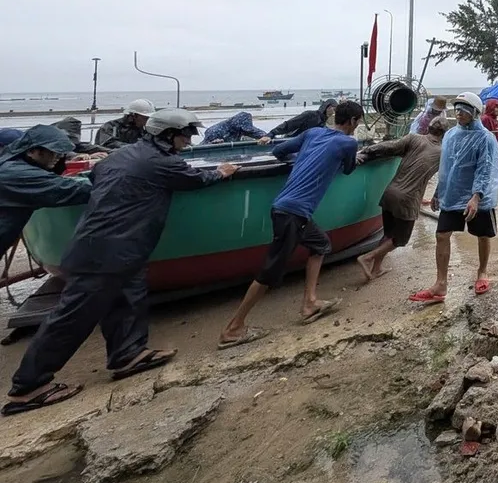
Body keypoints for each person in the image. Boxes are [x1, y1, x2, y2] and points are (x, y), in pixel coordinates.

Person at [5, 111, 237, 416]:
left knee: (129, 297)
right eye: (185, 134)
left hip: (117, 247)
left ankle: (128, 354)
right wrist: (221, 172)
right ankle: (28, 387)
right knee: (72, 317)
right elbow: (195, 178)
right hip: (107, 250)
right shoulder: (160, 162)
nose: (189, 140)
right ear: (167, 135)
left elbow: (98, 178)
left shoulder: (122, 155)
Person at [218, 101, 364, 349]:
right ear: (352, 122)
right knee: (269, 273)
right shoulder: (349, 143)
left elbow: (279, 152)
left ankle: (310, 303)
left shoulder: (313, 133)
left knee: (321, 245)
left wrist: (306, 157)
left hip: (289, 210)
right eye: (358, 122)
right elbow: (349, 169)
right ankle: (233, 328)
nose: (357, 126)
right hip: (292, 214)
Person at [409, 93, 498, 304]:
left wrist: (476, 197)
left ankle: (482, 272)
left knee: (482, 235)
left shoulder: (485, 138)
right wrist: (439, 191)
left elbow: (485, 169)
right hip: (453, 194)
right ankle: (440, 284)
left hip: (477, 197)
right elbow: (446, 167)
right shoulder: (450, 135)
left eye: (464, 109)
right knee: (441, 235)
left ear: (475, 112)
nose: (458, 113)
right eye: (457, 109)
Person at [353, 116, 448, 283]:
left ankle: (376, 269)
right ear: (444, 134)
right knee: (400, 239)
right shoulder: (443, 153)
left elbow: (388, 147)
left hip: (390, 193)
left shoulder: (413, 139)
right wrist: (436, 196)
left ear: (428, 128)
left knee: (388, 233)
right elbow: (445, 178)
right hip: (408, 199)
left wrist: (365, 151)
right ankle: (368, 257)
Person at [0, 126, 94, 261]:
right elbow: (71, 190)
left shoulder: (10, 164)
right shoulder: (20, 175)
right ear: (33, 151)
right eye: (54, 152)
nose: (59, 157)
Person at [260, 99, 337, 143]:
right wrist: (271, 134)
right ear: (328, 107)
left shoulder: (323, 122)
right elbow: (289, 124)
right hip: (291, 142)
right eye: (334, 109)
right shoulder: (310, 115)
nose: (335, 112)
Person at [202, 111, 268, 144]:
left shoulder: (244, 127)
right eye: (241, 129)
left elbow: (257, 133)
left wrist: (269, 137)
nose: (243, 131)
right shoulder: (214, 131)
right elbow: (203, 148)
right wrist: (213, 144)